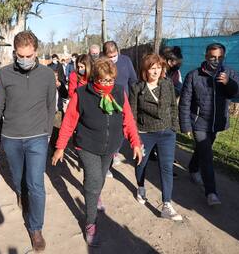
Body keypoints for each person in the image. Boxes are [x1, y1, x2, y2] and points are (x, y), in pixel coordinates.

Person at [52, 57, 143, 247]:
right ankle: (90, 223)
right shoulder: (82, 94)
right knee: (94, 183)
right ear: (95, 78)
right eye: (103, 80)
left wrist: (135, 142)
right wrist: (60, 147)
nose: (107, 85)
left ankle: (92, 194)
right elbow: (69, 122)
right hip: (87, 146)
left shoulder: (119, 91)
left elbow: (128, 119)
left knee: (99, 180)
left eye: (110, 80)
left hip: (110, 147)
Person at [0, 31, 56, 252]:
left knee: (36, 184)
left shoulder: (46, 75)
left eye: (29, 56)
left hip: (37, 138)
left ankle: (36, 229)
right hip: (11, 139)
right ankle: (20, 194)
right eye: (20, 56)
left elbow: (50, 106)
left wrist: (47, 135)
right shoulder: (4, 74)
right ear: (15, 53)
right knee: (19, 181)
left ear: (36, 52)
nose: (24, 60)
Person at [179, 43, 239, 206]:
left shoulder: (229, 73)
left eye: (220, 57)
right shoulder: (193, 75)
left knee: (203, 148)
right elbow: (185, 102)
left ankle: (193, 168)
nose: (216, 60)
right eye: (212, 57)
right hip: (199, 122)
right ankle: (211, 193)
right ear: (206, 56)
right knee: (207, 156)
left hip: (216, 122)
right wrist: (185, 125)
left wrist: (229, 83)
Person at [129, 54, 182, 221]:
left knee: (166, 167)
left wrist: (173, 127)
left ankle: (167, 204)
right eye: (152, 68)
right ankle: (141, 187)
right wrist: (135, 136)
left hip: (167, 133)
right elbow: (132, 113)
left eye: (159, 67)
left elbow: (173, 106)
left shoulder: (167, 84)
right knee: (141, 163)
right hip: (145, 133)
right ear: (145, 70)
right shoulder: (137, 87)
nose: (156, 71)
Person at [103, 41, 138, 173]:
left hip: (124, 102)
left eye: (114, 55)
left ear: (118, 51)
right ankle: (107, 162)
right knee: (108, 132)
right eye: (110, 56)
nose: (113, 58)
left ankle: (115, 152)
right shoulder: (101, 64)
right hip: (107, 103)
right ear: (105, 55)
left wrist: (134, 97)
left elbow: (133, 80)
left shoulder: (126, 61)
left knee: (121, 131)